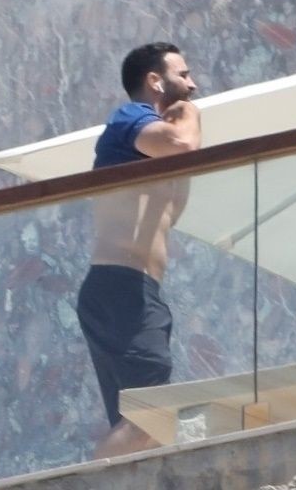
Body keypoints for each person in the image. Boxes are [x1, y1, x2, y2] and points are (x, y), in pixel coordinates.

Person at [76, 42, 201, 458]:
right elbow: (183, 145)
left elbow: (174, 205)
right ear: (154, 80)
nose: (193, 85)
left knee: (142, 427)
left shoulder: (151, 152)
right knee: (151, 420)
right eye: (183, 75)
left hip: (136, 292)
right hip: (122, 288)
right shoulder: (129, 117)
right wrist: (190, 114)